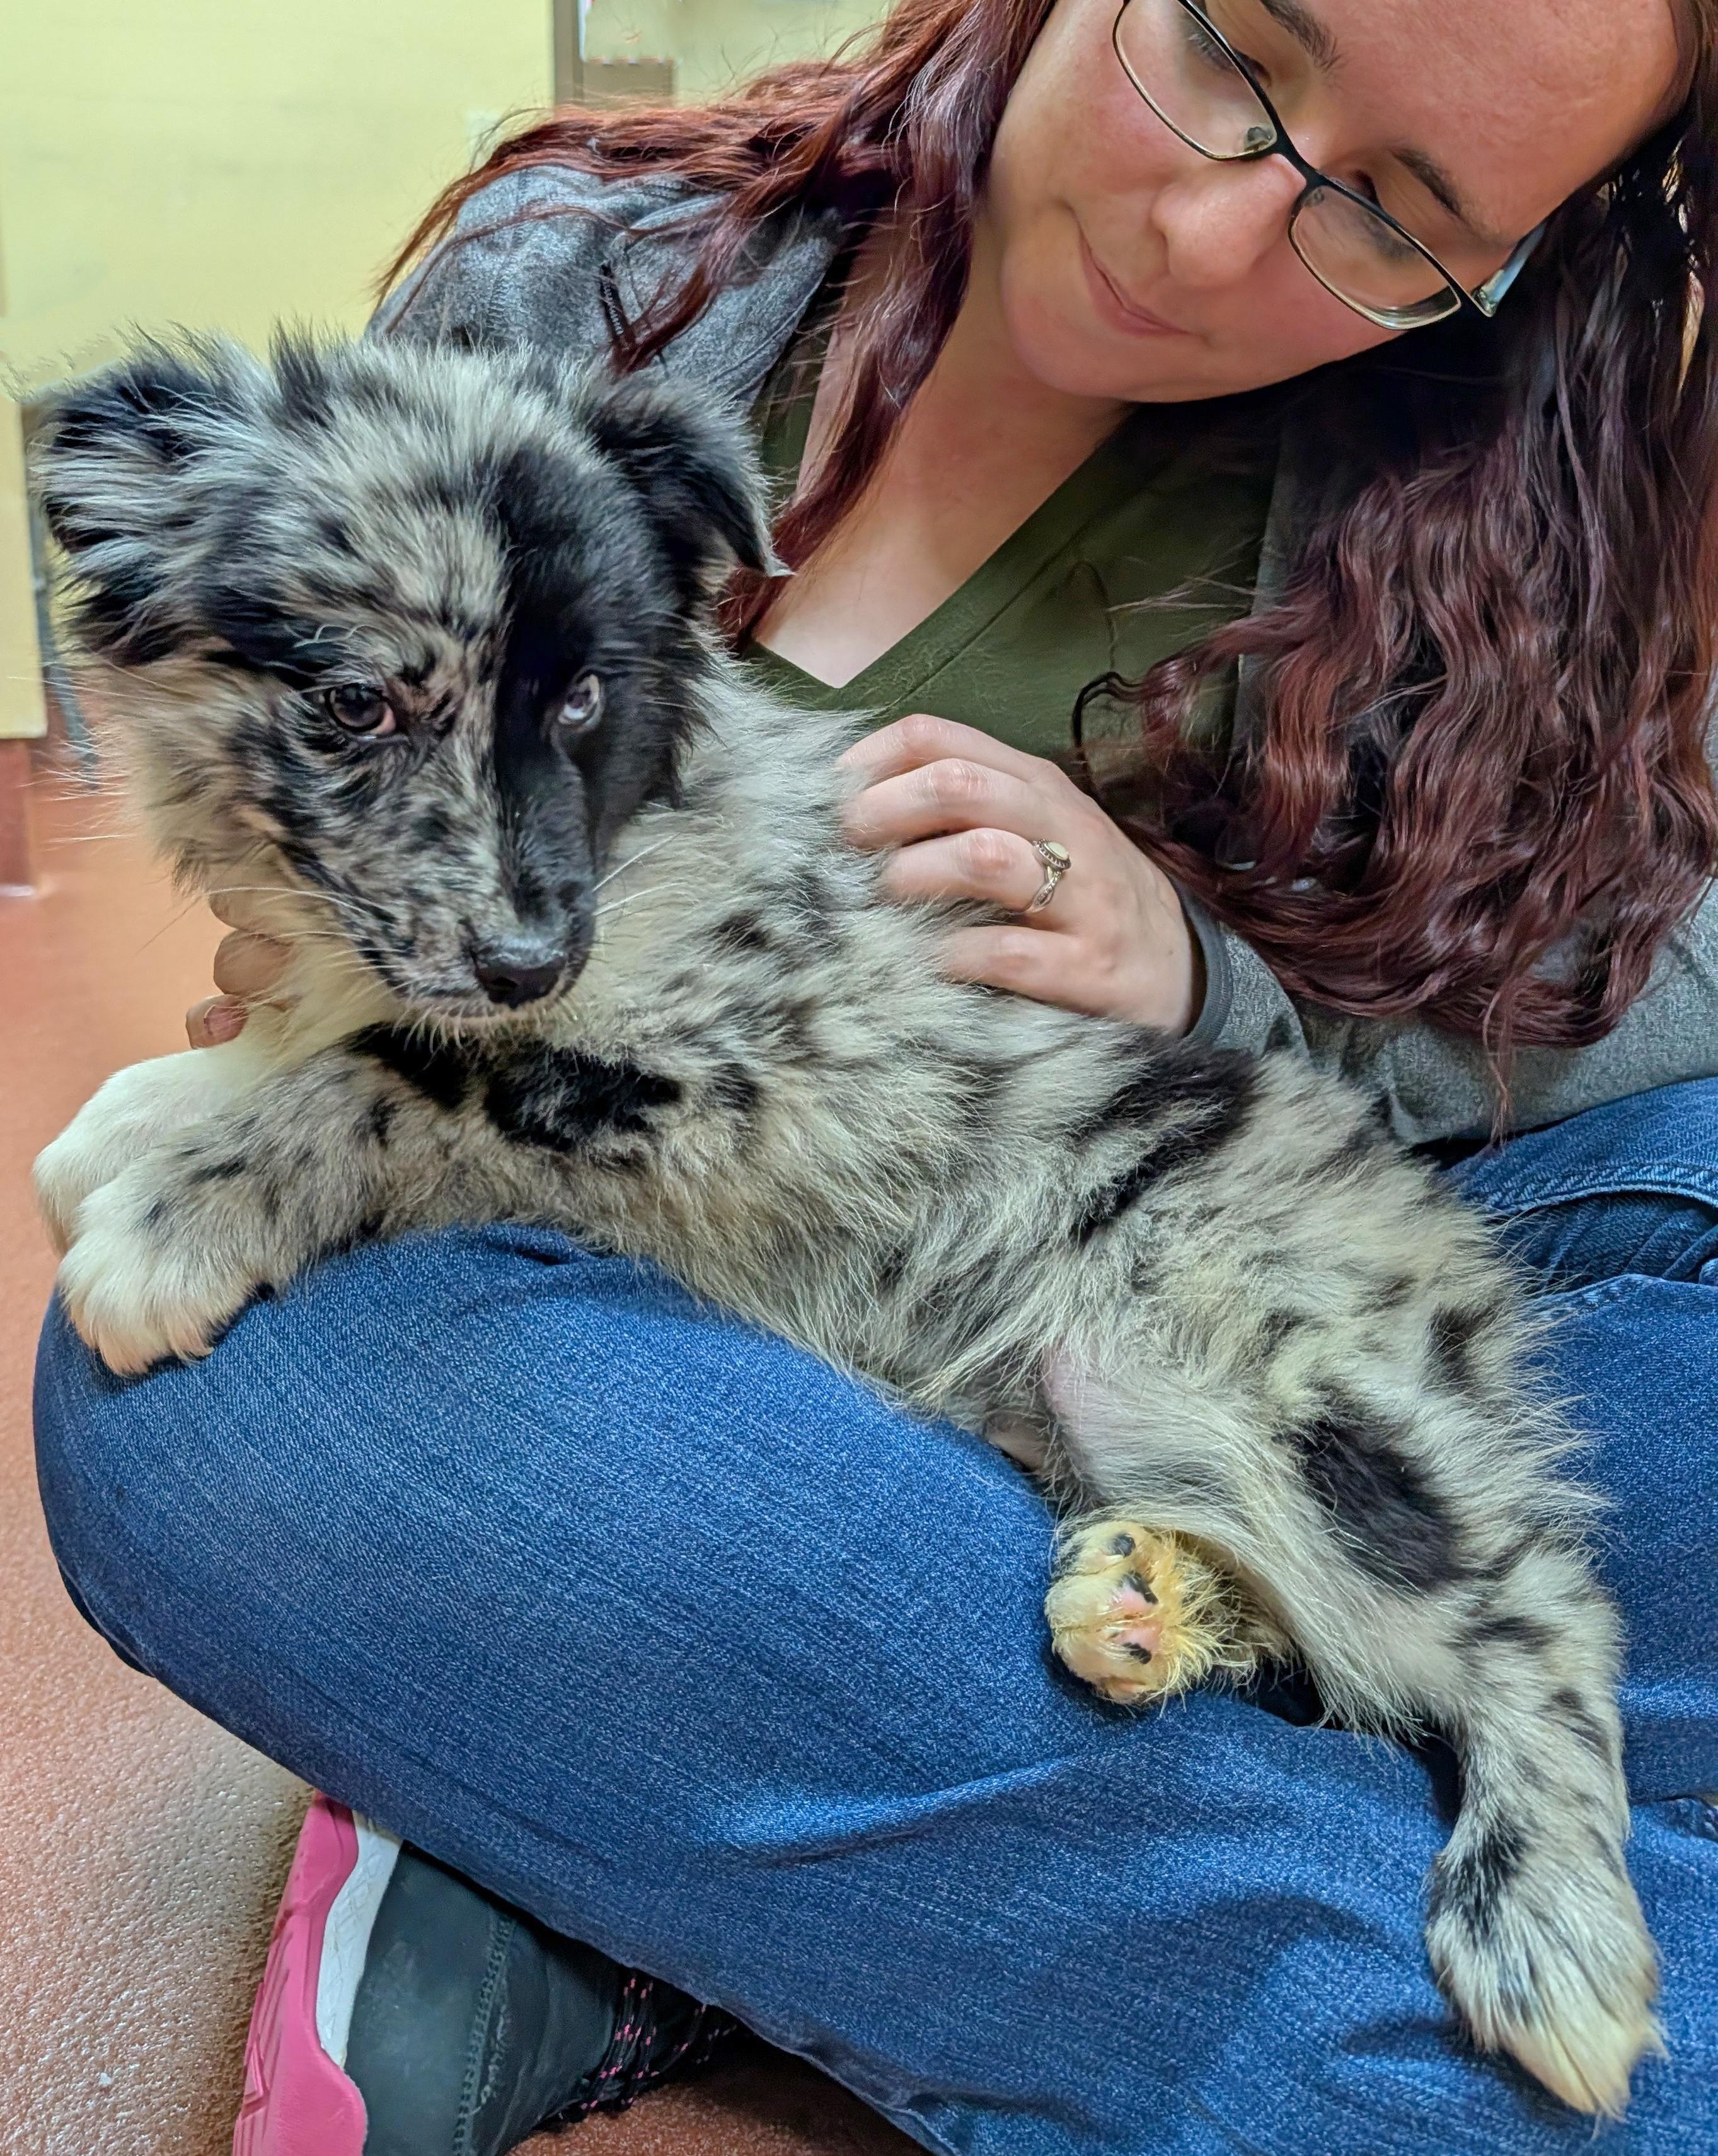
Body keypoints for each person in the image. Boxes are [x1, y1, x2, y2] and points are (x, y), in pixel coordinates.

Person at [31, 0, 1718, 2150]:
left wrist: (1206, 983)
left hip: (1168, 1261)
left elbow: (1617, 1046)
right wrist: (329, 995)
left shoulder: (1505, 521)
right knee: (204, 1406)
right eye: (1233, 40)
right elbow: (322, 821)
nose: (1214, 229)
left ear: (1534, 255)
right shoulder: (587, 282)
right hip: (679, 1329)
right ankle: (1026, 1799)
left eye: (1395, 211)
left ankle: (705, 1832)